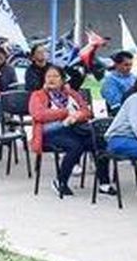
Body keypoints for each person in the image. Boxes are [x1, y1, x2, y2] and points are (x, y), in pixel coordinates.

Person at [30, 65, 96, 198]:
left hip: (73, 128)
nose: (51, 79)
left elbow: (86, 111)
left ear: (62, 79)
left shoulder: (71, 93)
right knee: (75, 146)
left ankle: (103, 183)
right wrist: (65, 113)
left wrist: (76, 116)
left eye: (55, 76)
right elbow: (39, 115)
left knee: (96, 140)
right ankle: (61, 181)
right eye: (49, 76)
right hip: (48, 133)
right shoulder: (38, 95)